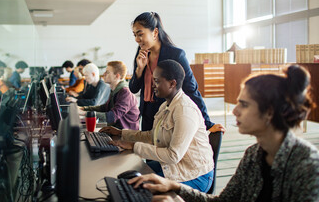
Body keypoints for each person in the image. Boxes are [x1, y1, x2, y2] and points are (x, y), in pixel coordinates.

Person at [129, 65, 319, 202]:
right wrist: (175, 187)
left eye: (243, 105)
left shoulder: (306, 163)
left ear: (269, 112)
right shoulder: (253, 155)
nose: (234, 111)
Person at [100, 60, 214, 191]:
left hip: (194, 175)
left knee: (138, 188)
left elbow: (173, 155)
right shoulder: (166, 105)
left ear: (172, 83)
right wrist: (121, 133)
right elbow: (152, 136)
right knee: (127, 179)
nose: (153, 85)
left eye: (157, 81)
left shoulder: (184, 111)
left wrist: (133, 146)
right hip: (173, 166)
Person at [129, 12, 225, 133]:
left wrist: (207, 123)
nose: (137, 39)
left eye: (140, 34)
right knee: (147, 148)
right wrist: (139, 70)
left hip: (168, 113)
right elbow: (133, 88)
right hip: (147, 114)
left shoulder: (176, 55)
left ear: (155, 32)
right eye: (134, 35)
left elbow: (191, 89)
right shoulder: (142, 53)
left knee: (165, 150)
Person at [78, 61, 140, 130]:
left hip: (126, 136)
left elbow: (112, 116)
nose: (104, 74)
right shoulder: (115, 89)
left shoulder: (125, 92)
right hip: (115, 131)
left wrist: (85, 113)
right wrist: (84, 108)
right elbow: (104, 108)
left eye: (107, 72)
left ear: (117, 76)